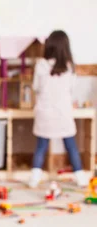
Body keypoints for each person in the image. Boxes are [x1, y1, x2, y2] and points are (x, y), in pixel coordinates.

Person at [29, 30, 88, 188]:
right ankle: (81, 177)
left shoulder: (41, 65)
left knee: (41, 145)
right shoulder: (69, 68)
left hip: (45, 112)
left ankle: (34, 177)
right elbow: (71, 89)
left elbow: (36, 87)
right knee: (71, 145)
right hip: (63, 113)